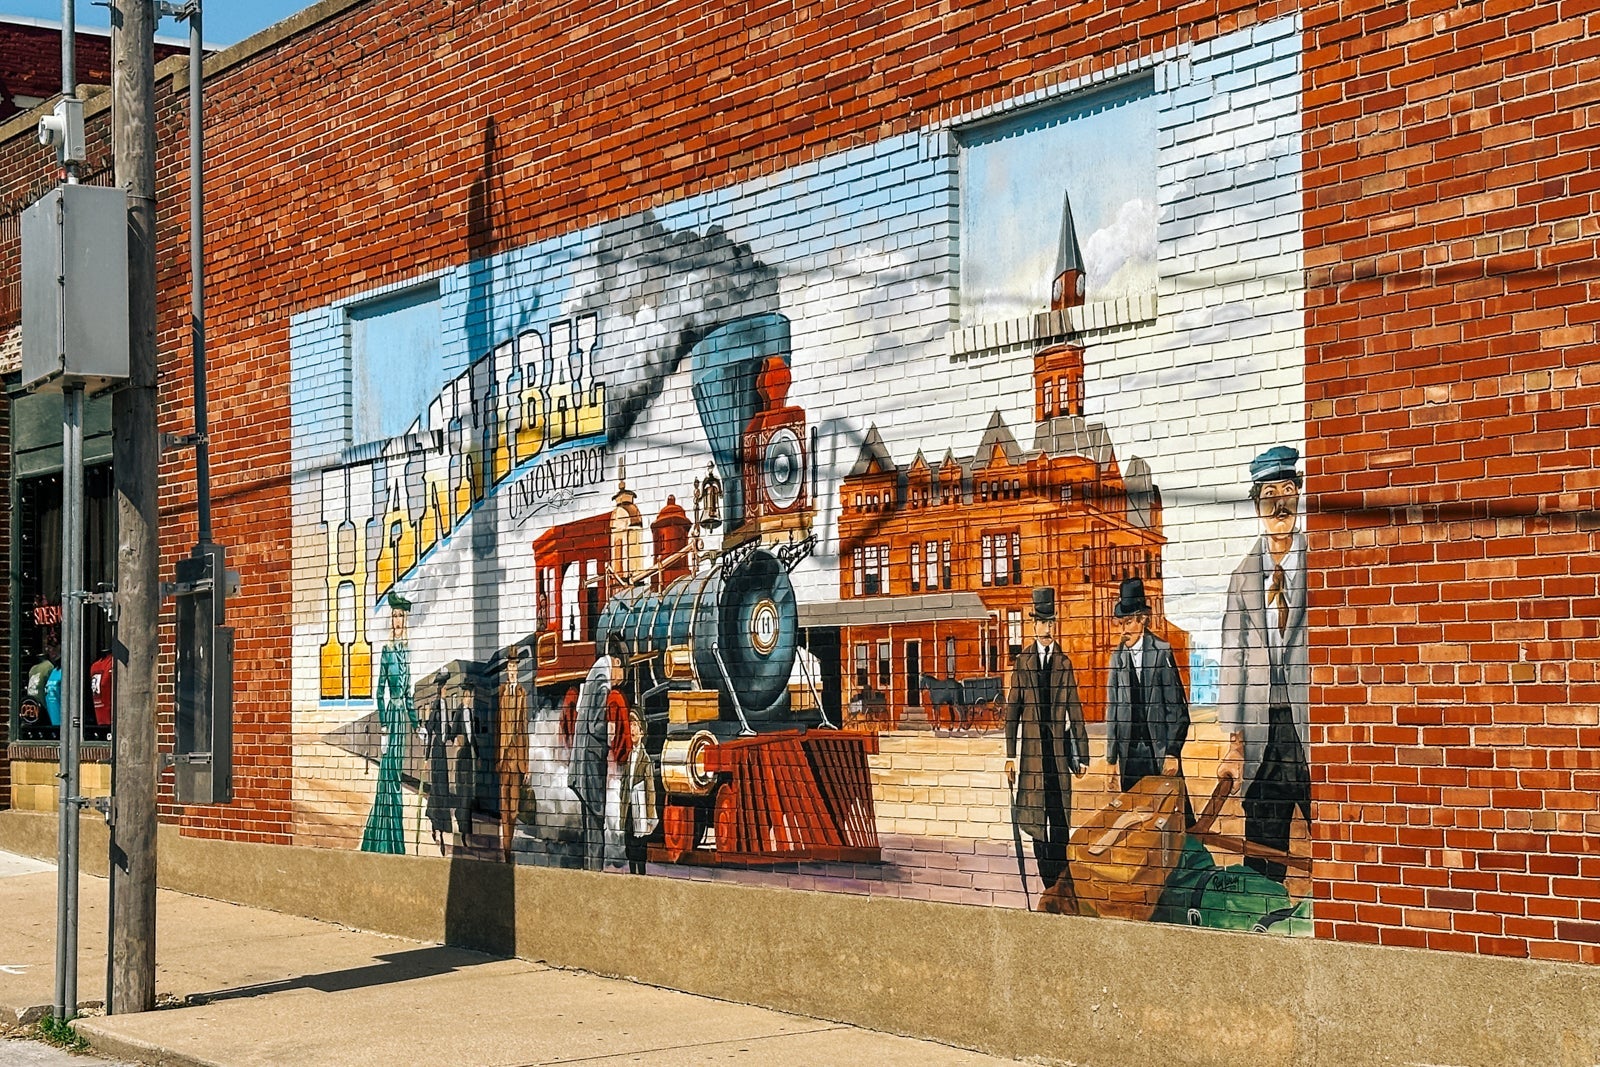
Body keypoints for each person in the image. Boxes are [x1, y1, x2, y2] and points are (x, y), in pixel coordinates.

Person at [1219, 444, 1310, 883]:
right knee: (1263, 853)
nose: (1279, 503)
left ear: (1298, 496)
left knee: (1336, 837)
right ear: (1257, 504)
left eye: (1287, 490)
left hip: (1312, 731)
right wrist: (1234, 743)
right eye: (1269, 494)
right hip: (1262, 734)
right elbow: (1232, 663)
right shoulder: (1242, 578)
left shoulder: (1323, 565)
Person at [1005, 587, 1089, 895]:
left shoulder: (1064, 664)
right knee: (1035, 819)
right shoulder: (1023, 662)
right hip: (1031, 757)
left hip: (1057, 755)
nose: (1047, 629)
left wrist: (1082, 755)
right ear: (1033, 625)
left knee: (1060, 819)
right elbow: (1012, 712)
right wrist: (1010, 756)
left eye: (1051, 622)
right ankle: (1048, 882)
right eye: (1042, 623)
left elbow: (1075, 711)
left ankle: (1057, 879)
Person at [1105, 577, 1192, 823]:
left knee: (1172, 822)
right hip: (1130, 757)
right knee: (1134, 825)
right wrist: (1111, 760)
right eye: (1120, 623)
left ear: (1142, 619)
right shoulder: (1117, 659)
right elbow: (1112, 713)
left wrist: (1173, 752)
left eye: (1129, 622)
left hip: (1160, 753)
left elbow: (1178, 711)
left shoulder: (1161, 651)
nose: (1123, 630)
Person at [568, 634, 630, 871]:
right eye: (622, 675)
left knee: (590, 828)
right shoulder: (603, 676)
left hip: (584, 763)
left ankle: (589, 874)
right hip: (591, 765)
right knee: (596, 826)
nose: (619, 682)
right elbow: (596, 723)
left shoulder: (596, 670)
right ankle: (596, 876)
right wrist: (610, 729)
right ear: (617, 663)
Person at [361, 591, 417, 854]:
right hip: (391, 721)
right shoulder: (387, 651)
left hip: (403, 722)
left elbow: (408, 695)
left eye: (400, 616)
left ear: (405, 620)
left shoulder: (406, 651)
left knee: (395, 776)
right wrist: (383, 727)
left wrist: (418, 724)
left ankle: (395, 838)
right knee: (387, 777)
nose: (397, 620)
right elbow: (380, 691)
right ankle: (382, 837)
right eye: (394, 616)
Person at [496, 643, 530, 862]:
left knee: (514, 808)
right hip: (503, 759)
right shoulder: (501, 693)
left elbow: (524, 730)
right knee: (504, 808)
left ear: (518, 669)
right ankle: (506, 849)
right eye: (509, 666)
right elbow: (497, 727)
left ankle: (510, 845)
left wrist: (526, 765)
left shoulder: (521, 693)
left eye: (514, 666)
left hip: (516, 759)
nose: (512, 670)